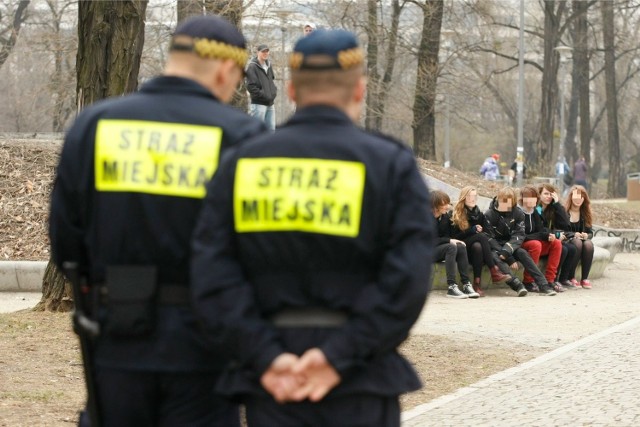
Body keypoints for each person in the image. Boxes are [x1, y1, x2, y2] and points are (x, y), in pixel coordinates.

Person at [191, 29, 435, 427]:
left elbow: (213, 275)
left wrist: (266, 357)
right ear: (359, 90)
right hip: (360, 382)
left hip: (274, 385)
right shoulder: (389, 165)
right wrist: (339, 355)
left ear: (290, 90)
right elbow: (406, 280)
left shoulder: (242, 164)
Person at [49, 16, 266, 427]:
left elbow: (65, 237)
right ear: (225, 69)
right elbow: (261, 248)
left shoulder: (97, 124)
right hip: (207, 342)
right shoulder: (243, 137)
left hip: (117, 332)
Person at [451, 186, 511, 297]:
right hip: (461, 248)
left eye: (474, 196)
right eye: (469, 196)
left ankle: (477, 284)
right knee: (481, 237)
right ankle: (494, 271)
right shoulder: (456, 213)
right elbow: (454, 236)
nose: (472, 199)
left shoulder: (479, 214)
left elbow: (488, 234)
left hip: (477, 250)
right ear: (464, 198)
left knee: (478, 246)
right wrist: (472, 230)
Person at [431, 190, 480, 299]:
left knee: (460, 246)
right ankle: (452, 286)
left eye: (448, 203)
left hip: (438, 250)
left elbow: (449, 236)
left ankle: (466, 284)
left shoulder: (444, 218)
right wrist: (448, 241)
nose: (447, 206)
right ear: (435, 204)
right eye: (444, 204)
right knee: (451, 246)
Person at [483, 187, 528, 297]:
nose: (504, 204)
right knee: (494, 254)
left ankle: (543, 283)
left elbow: (519, 234)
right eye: (502, 200)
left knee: (523, 252)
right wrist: (509, 257)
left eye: (507, 201)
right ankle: (516, 284)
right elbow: (489, 238)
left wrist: (508, 251)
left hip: (509, 245)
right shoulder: (489, 214)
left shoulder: (518, 213)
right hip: (493, 247)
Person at [517, 186, 560, 296]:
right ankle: (528, 281)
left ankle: (550, 280)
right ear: (522, 198)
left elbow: (541, 230)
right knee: (535, 244)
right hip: (520, 244)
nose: (532, 200)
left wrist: (549, 236)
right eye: (528, 198)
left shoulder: (535, 211)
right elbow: (522, 235)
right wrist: (541, 236)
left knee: (556, 243)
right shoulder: (517, 212)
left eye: (534, 198)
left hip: (533, 242)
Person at [536, 183, 579, 292]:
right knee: (563, 249)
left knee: (572, 248)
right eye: (545, 193)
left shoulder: (553, 208)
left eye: (551, 194)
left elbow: (565, 224)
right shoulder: (537, 208)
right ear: (539, 194)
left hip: (551, 238)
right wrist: (556, 235)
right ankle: (553, 279)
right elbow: (540, 228)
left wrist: (557, 204)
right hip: (540, 238)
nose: (548, 196)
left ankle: (563, 279)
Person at [564, 185, 595, 289]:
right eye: (576, 197)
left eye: (581, 197)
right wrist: (573, 235)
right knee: (577, 242)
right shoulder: (564, 212)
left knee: (588, 244)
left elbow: (590, 232)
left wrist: (587, 235)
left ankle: (584, 278)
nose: (578, 200)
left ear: (584, 199)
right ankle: (571, 277)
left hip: (581, 242)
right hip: (567, 241)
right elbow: (560, 230)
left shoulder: (585, 213)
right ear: (571, 197)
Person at [246, 44, 277, 130]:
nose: (265, 53)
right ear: (258, 52)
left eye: (267, 51)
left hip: (270, 104)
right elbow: (250, 86)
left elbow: (271, 81)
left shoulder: (269, 65)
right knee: (256, 131)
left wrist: (273, 93)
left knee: (271, 130)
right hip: (258, 104)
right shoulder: (252, 66)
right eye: (263, 51)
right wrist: (263, 95)